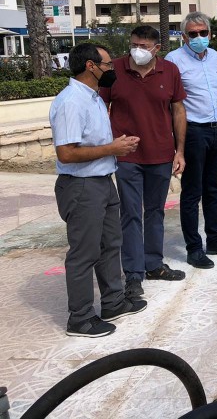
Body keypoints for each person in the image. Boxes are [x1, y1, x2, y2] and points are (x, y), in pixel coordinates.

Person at [50, 42, 147, 337]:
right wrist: (112, 147)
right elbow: (66, 153)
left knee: (110, 246)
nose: (111, 70)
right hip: (81, 186)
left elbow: (92, 144)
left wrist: (115, 148)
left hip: (103, 181)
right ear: (90, 66)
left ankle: (113, 302)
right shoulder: (71, 101)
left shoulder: (92, 98)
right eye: (106, 65)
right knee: (84, 253)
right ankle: (79, 318)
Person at [99, 26, 187, 300]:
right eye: (134, 44)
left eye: (144, 45)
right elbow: (101, 108)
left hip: (161, 155)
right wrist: (110, 145)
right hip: (127, 157)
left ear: (156, 48)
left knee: (155, 212)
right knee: (130, 215)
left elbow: (178, 110)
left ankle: (153, 264)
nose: (137, 50)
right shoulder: (114, 69)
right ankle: (134, 274)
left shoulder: (169, 71)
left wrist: (180, 151)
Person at [165, 12, 217, 268]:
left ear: (210, 34)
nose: (199, 38)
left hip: (216, 127)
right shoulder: (173, 60)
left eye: (203, 33)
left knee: (213, 189)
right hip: (193, 131)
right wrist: (178, 146)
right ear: (185, 36)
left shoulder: (214, 58)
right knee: (191, 192)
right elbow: (172, 105)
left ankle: (215, 239)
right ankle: (194, 248)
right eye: (193, 34)